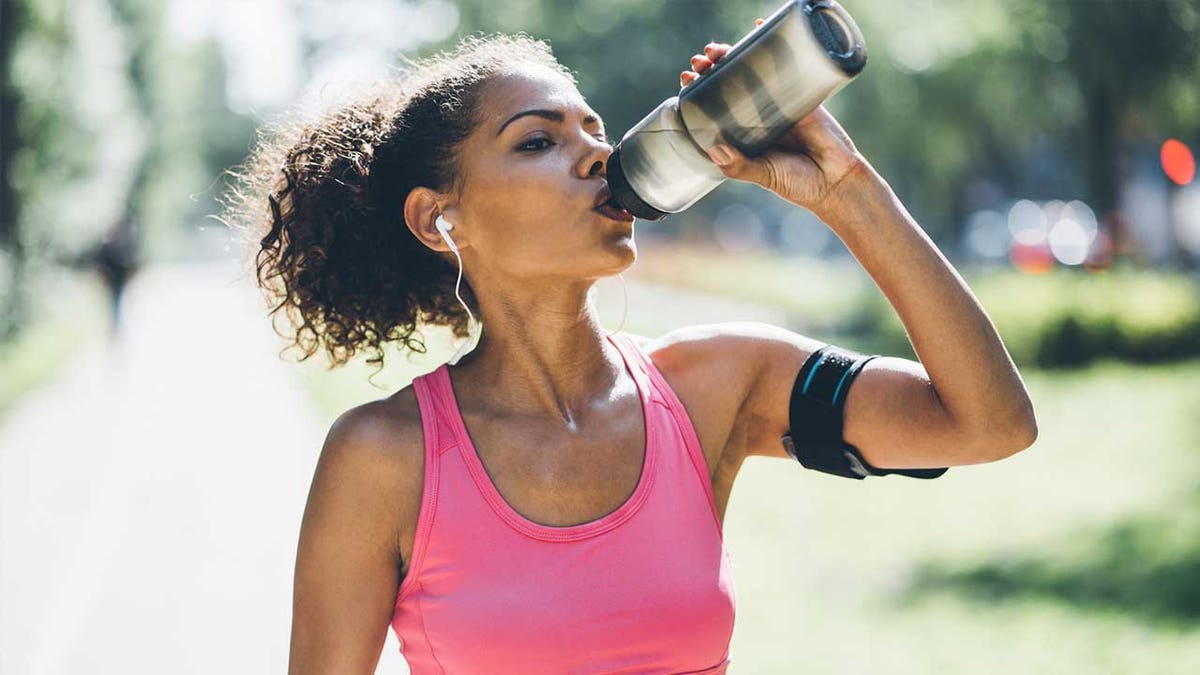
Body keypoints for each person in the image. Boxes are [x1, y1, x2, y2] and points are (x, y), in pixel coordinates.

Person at [223, 29, 1037, 674]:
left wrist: (847, 190)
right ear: (440, 219)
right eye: (537, 141)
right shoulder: (385, 456)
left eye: (595, 130)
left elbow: (990, 424)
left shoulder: (717, 385)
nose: (597, 156)